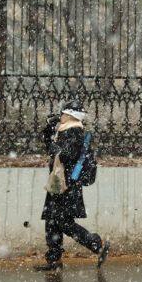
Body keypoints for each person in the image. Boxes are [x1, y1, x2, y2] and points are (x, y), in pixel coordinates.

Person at [35, 100, 109, 271]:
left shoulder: (75, 132)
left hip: (68, 185)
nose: (60, 116)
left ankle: (97, 243)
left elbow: (65, 155)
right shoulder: (64, 131)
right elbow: (50, 147)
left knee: (64, 222)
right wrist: (48, 129)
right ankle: (53, 260)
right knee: (52, 221)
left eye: (62, 113)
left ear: (70, 115)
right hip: (58, 183)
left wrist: (55, 147)